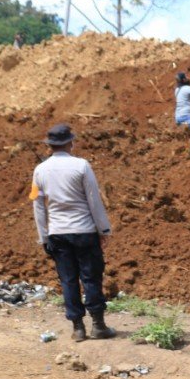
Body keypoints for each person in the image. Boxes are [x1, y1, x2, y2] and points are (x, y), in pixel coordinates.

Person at [30, 123, 115, 342]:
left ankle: (78, 328)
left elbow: (38, 206)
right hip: (85, 230)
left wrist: (43, 237)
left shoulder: (40, 170)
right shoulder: (81, 166)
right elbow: (93, 200)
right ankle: (98, 325)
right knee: (91, 277)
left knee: (68, 280)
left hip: (58, 233)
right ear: (70, 143)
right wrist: (103, 229)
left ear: (50, 146)